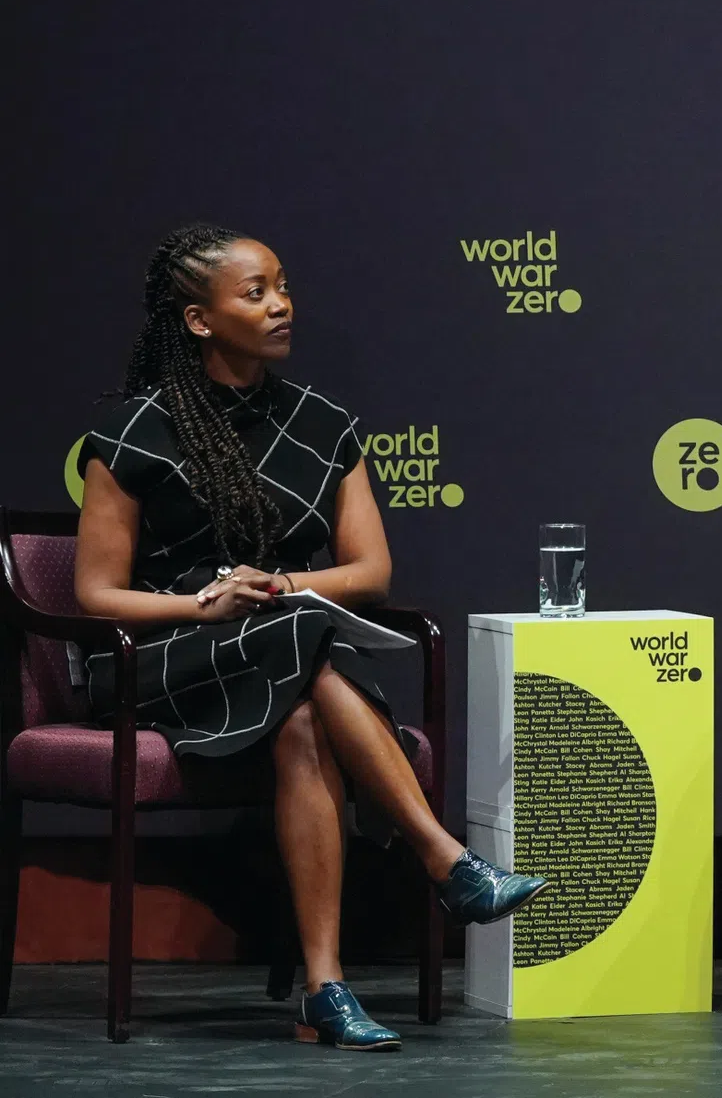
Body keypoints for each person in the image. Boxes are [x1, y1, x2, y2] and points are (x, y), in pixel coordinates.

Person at [71, 224, 545, 1052]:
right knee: (301, 640)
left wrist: (279, 585)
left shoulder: (323, 424)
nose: (282, 304)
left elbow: (370, 573)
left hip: (287, 647)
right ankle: (443, 857)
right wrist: (206, 606)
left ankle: (326, 989)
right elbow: (95, 593)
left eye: (283, 285)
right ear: (197, 320)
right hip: (162, 658)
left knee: (298, 707)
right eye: (255, 292)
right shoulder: (134, 428)